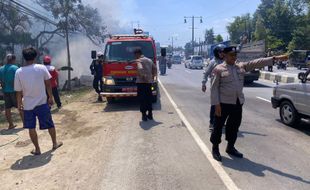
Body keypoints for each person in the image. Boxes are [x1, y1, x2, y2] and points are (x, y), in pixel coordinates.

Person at [210, 46, 288, 162]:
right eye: (231, 55)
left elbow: (256, 63)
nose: (234, 57)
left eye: (235, 55)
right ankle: (215, 148)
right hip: (223, 104)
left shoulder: (240, 67)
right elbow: (214, 88)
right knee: (218, 127)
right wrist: (216, 104)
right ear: (224, 56)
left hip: (237, 103)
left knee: (234, 126)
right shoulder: (218, 69)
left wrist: (275, 58)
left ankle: (230, 147)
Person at [14, 47, 62, 155]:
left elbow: (18, 91)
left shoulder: (19, 72)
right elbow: (48, 84)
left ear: (24, 58)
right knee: (49, 124)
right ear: (35, 56)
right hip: (41, 103)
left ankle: (37, 149)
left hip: (27, 106)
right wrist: (50, 97)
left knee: (31, 127)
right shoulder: (41, 68)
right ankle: (54, 143)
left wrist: (19, 103)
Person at [202, 44, 226, 132]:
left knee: (223, 106)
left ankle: (221, 122)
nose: (222, 54)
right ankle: (211, 123)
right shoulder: (213, 62)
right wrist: (203, 83)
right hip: (215, 87)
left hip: (224, 87)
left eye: (223, 52)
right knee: (214, 105)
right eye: (221, 52)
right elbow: (206, 73)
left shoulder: (225, 61)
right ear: (217, 53)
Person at [0, 54, 24, 129]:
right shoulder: (15, 68)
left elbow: (1, 81)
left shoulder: (1, 69)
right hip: (15, 91)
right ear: (13, 60)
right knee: (20, 106)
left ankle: (11, 124)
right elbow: (19, 80)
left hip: (5, 91)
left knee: (7, 108)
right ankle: (25, 123)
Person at [134, 48, 157, 121]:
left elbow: (140, 69)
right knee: (148, 98)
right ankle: (150, 114)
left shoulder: (139, 60)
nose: (135, 57)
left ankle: (144, 115)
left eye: (135, 55)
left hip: (141, 83)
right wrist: (152, 77)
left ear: (137, 54)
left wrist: (143, 76)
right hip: (149, 83)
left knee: (142, 99)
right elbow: (155, 68)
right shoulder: (149, 60)